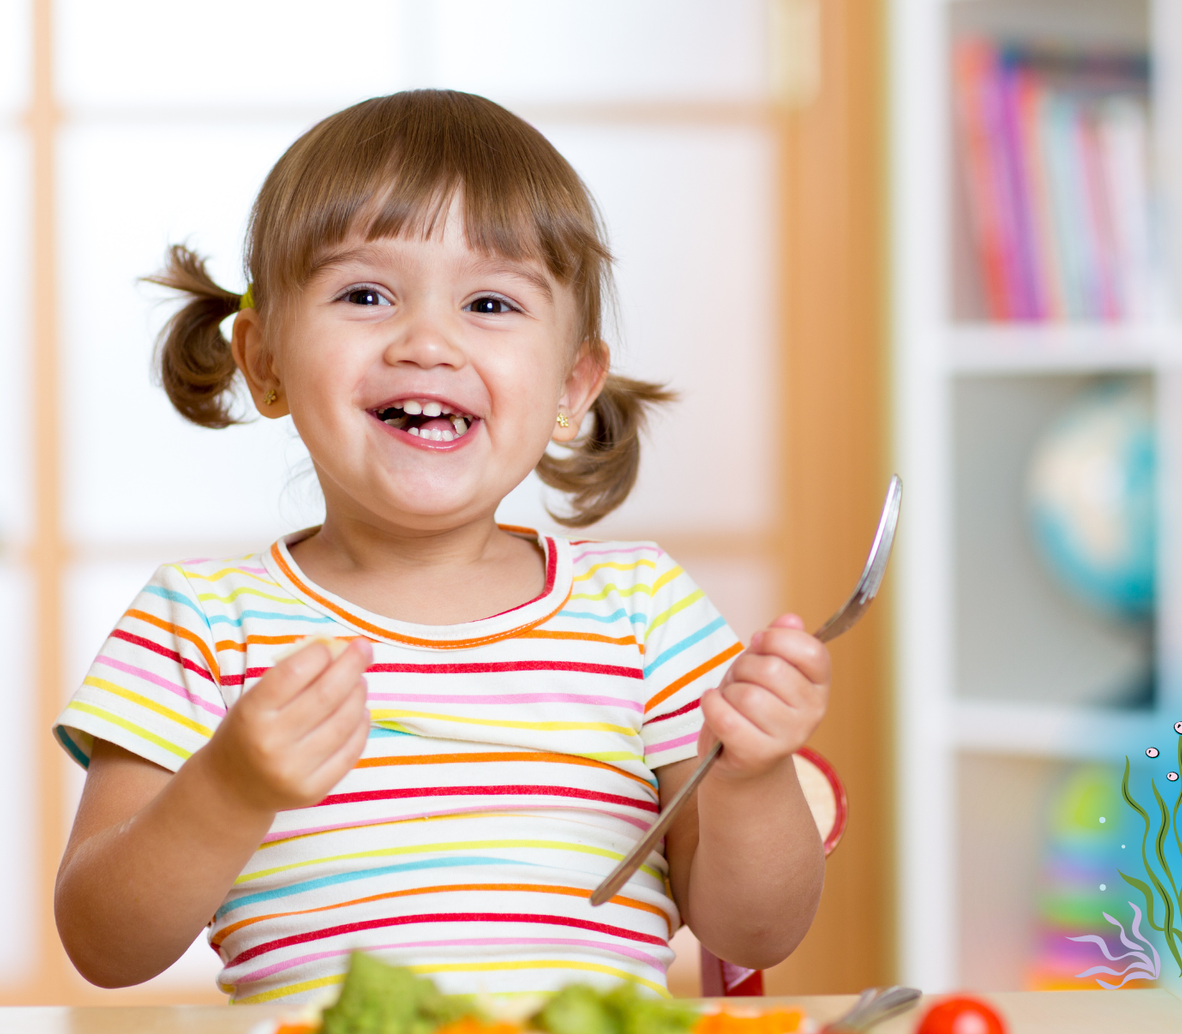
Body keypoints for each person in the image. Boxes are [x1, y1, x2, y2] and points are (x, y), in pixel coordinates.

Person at [52, 89, 828, 1004]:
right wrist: (226, 787)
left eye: (491, 303)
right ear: (264, 362)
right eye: (365, 294)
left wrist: (752, 777)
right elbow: (104, 943)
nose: (427, 342)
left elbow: (754, 929)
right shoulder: (203, 620)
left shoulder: (644, 610)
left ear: (575, 383)